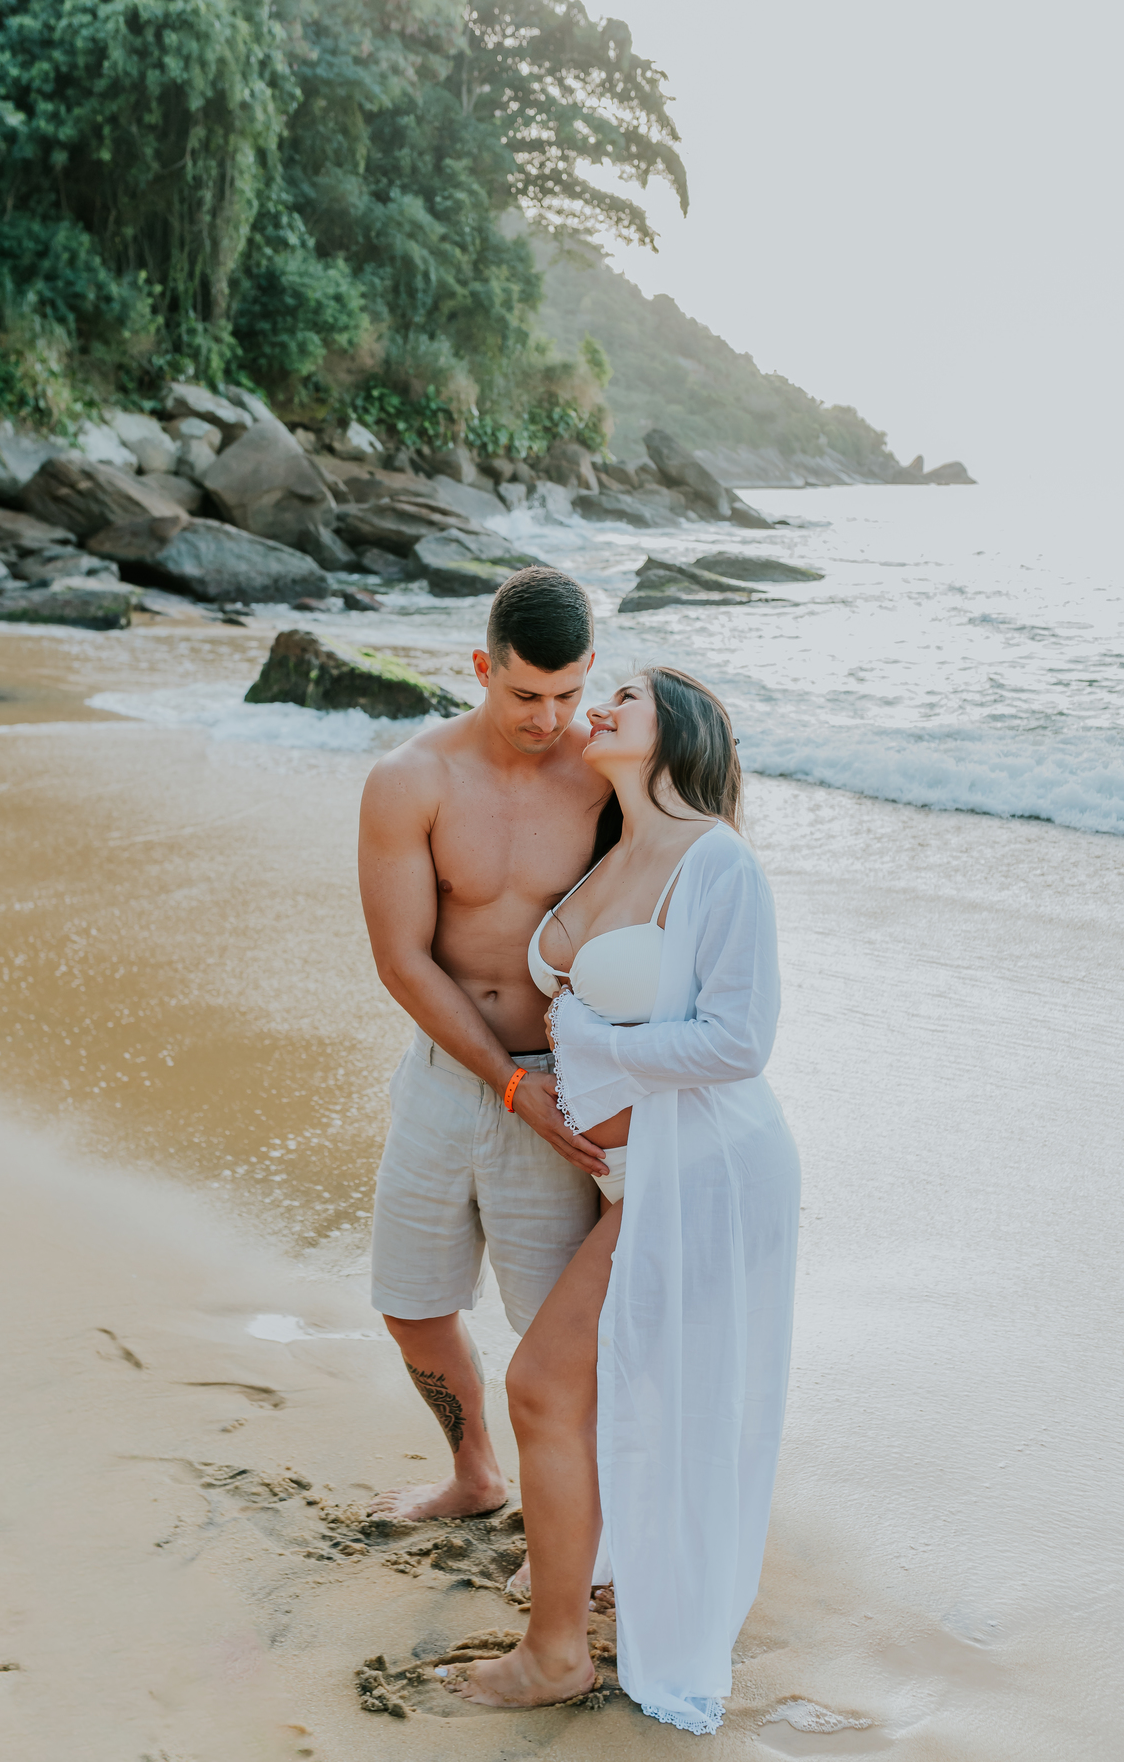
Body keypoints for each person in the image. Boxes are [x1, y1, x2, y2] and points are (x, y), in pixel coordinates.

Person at [439, 667, 801, 1734]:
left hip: (704, 1175)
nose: (600, 705)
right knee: (614, 1392)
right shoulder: (612, 852)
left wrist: (594, 1046)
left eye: (627, 695)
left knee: (543, 1386)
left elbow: (740, 1041)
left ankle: (555, 1654)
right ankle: (586, 1577)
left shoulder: (717, 861)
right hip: (626, 1180)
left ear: (677, 729)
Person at [357, 566, 614, 1522]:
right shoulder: (410, 779)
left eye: (568, 694)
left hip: (567, 1091)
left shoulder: (609, 777)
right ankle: (475, 1476)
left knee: (559, 1334)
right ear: (481, 666)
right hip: (448, 1075)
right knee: (411, 1305)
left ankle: (580, 1526)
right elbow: (402, 960)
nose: (549, 718)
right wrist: (506, 1082)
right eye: (525, 695)